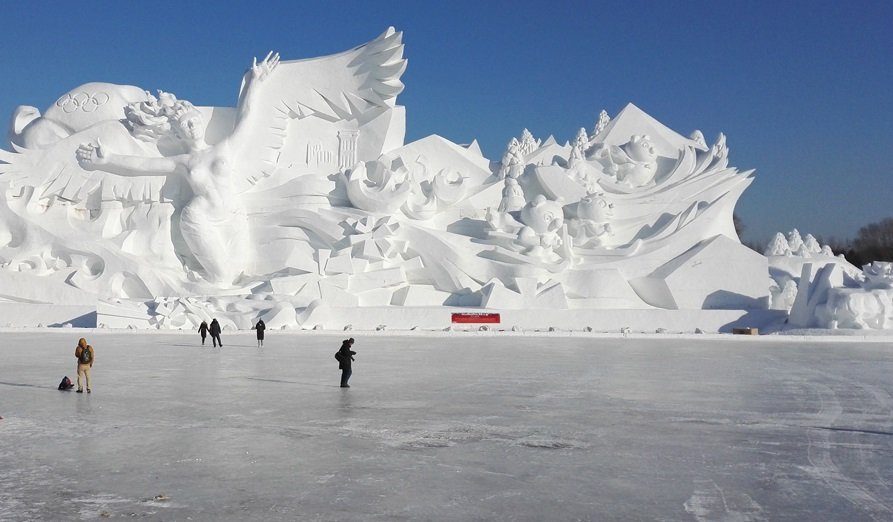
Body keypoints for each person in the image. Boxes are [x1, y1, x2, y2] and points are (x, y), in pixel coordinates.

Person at [75, 52, 281, 285]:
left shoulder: (225, 148)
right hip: (200, 218)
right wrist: (108, 159)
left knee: (240, 275)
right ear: (177, 132)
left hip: (234, 216)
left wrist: (255, 81)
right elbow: (143, 165)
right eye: (185, 124)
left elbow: (246, 118)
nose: (192, 126)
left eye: (194, 120)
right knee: (221, 277)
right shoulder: (183, 162)